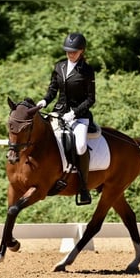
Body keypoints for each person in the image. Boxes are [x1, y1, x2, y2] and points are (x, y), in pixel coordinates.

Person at [36, 32, 95, 204]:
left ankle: (83, 187)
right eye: (68, 51)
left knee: (81, 144)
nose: (70, 54)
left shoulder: (87, 70)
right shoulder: (59, 66)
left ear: (82, 51)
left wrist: (75, 113)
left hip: (80, 116)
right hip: (59, 112)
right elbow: (53, 90)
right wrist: (44, 101)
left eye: (74, 51)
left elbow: (91, 99)